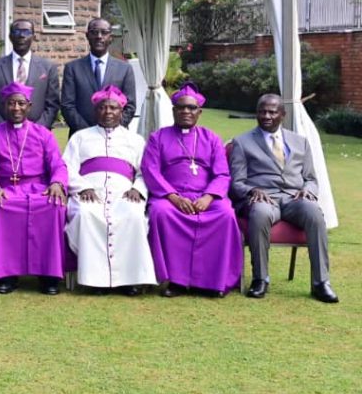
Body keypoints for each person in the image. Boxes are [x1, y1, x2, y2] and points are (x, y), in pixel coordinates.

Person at [229, 93, 339, 303]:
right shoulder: (242, 143)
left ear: (283, 115)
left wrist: (308, 190)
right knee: (259, 213)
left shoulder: (301, 142)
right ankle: (260, 279)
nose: (266, 116)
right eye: (262, 111)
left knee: (314, 212)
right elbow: (236, 183)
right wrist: (252, 191)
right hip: (264, 199)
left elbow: (311, 178)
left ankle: (321, 283)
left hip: (294, 199)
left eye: (272, 112)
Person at [142, 84, 242, 297]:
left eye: (191, 108)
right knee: (161, 214)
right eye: (181, 108)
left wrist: (208, 197)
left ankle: (212, 281)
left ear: (199, 112)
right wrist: (173, 197)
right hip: (170, 196)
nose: (186, 112)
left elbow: (222, 174)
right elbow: (151, 171)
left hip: (206, 196)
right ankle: (176, 281)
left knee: (226, 214)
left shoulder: (211, 138)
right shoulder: (158, 137)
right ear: (173, 111)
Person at [62, 85, 156, 295]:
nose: (108, 112)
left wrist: (137, 189)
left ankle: (130, 280)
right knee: (86, 215)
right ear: (96, 111)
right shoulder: (80, 137)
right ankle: (95, 280)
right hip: (89, 192)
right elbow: (66, 167)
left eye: (113, 108)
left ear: (122, 112)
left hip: (124, 192)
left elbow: (145, 172)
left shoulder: (136, 140)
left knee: (133, 215)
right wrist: (82, 186)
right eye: (103, 108)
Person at [0, 81, 68, 295]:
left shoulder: (44, 134)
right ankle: (5, 275)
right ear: (4, 106)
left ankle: (49, 275)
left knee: (54, 207)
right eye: (11, 104)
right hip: (5, 188)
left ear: (29, 106)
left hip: (38, 188)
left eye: (20, 104)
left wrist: (57, 183)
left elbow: (57, 163)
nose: (16, 108)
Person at [0, 18, 60, 129]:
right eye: (17, 32)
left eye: (26, 32)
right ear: (10, 37)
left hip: (37, 137)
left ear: (34, 36)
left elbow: (52, 105)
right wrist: (4, 129)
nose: (22, 36)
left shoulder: (48, 68)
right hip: (3, 137)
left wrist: (35, 132)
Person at [61, 18, 137, 135]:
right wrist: (88, 133)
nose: (99, 36)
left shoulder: (125, 69)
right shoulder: (72, 68)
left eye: (104, 32)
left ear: (111, 37)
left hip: (115, 137)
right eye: (94, 32)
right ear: (87, 36)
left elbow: (130, 105)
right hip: (82, 136)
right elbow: (67, 105)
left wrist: (112, 129)